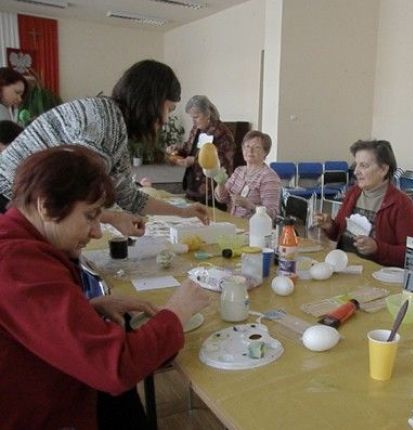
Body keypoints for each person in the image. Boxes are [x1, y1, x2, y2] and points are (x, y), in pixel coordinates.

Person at [0, 146, 211, 428]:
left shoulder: (18, 241)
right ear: (46, 205)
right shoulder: (17, 264)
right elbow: (115, 367)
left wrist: (87, 309)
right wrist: (175, 313)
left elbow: (31, 321)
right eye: (90, 216)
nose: (98, 231)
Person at [0, 60, 209, 236]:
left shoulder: (114, 123)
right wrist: (110, 217)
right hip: (9, 199)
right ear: (152, 101)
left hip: (22, 201)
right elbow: (71, 194)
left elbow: (129, 196)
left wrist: (182, 212)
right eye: (169, 109)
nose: (165, 120)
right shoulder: (104, 122)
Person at [314, 139, 413, 267]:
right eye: (356, 165)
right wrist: (329, 225)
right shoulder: (353, 193)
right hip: (345, 268)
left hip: (377, 277)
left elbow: (411, 255)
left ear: (383, 169)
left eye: (363, 166)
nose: (355, 171)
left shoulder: (402, 204)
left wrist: (377, 248)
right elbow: (338, 235)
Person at [167, 95, 242, 210]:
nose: (193, 121)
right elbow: (189, 147)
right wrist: (177, 149)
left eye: (196, 117)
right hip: (193, 187)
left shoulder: (222, 133)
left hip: (212, 191)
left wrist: (195, 161)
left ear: (208, 114)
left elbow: (223, 163)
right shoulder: (196, 128)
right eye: (192, 117)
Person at [215, 130, 281, 218]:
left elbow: (273, 214)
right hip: (235, 224)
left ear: (265, 152)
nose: (250, 150)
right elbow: (222, 199)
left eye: (256, 147)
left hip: (254, 227)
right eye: (247, 146)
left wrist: (249, 205)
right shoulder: (239, 171)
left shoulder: (269, 177)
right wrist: (220, 184)